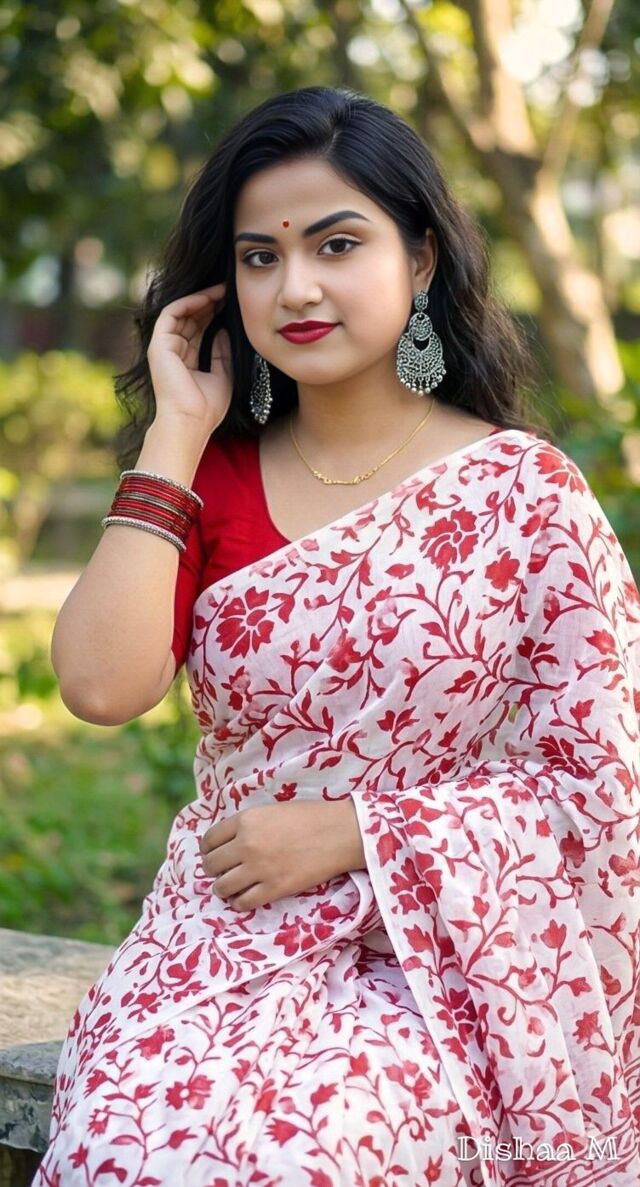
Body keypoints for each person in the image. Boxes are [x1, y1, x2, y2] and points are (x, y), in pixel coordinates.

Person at [34, 86, 640, 1187]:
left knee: (303, 1152)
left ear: (421, 258)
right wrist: (175, 429)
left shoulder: (522, 495)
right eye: (258, 257)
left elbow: (602, 782)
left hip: (443, 970)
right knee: (123, 1145)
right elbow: (99, 686)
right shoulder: (209, 474)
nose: (295, 287)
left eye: (337, 243)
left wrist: (360, 832)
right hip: (220, 944)